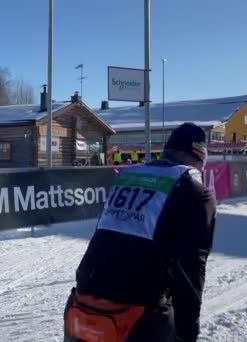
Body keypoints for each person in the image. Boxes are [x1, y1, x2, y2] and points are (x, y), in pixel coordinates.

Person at [63, 123, 217, 342]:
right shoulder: (193, 191)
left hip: (83, 306)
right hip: (136, 317)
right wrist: (187, 334)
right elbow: (191, 270)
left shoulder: (128, 177)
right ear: (201, 156)